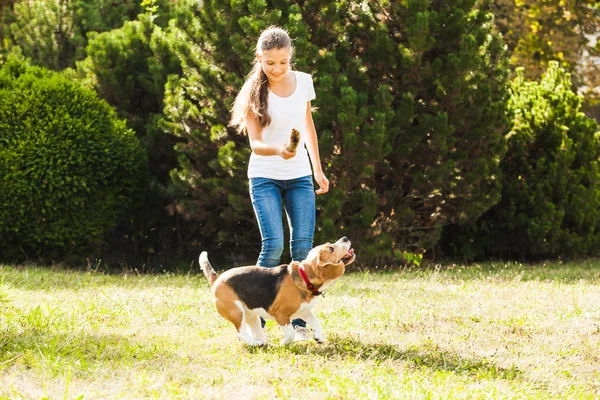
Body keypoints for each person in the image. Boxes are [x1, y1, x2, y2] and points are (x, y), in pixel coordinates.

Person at [229, 26, 329, 341]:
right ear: (259, 59)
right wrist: (280, 150)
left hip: (299, 176)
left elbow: (308, 126)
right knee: (273, 246)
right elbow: (257, 144)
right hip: (264, 176)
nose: (276, 69)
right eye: (270, 63)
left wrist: (318, 169)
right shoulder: (253, 94)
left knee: (301, 248)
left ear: (290, 58)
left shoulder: (304, 83)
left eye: (283, 62)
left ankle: (297, 323)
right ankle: (253, 319)